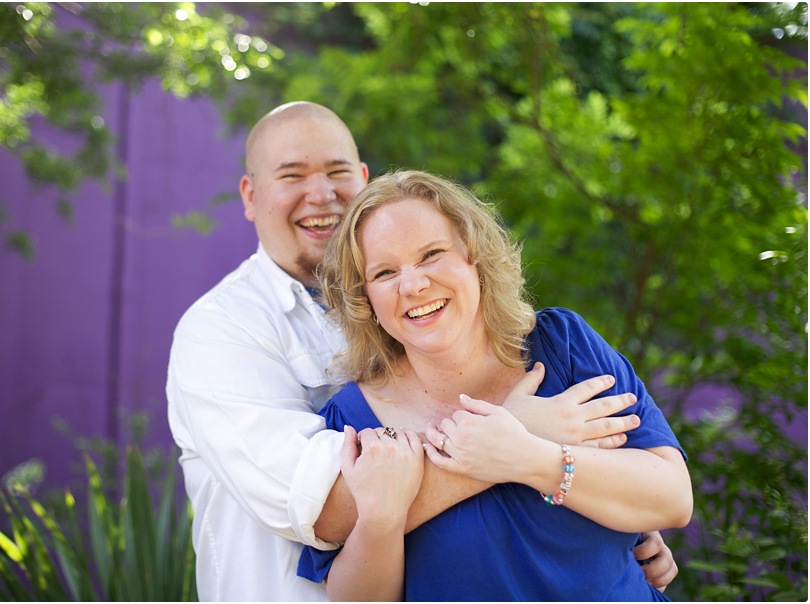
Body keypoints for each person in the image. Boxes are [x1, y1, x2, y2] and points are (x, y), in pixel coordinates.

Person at [166, 102, 678, 601]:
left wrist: (610, 508)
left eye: (337, 171)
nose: (320, 194)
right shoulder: (223, 332)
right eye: (292, 175)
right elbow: (326, 507)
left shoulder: (559, 344)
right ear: (251, 195)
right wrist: (518, 433)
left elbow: (664, 495)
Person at [297, 170, 693, 601]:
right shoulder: (352, 424)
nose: (412, 285)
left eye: (431, 254)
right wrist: (381, 518)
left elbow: (671, 498)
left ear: (475, 256)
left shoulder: (562, 346)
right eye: (385, 272)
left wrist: (528, 456)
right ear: (366, 299)